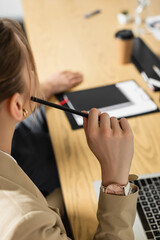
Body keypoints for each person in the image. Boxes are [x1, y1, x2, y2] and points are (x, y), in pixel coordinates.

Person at [0, 18, 138, 240]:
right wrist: (116, 184)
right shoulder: (25, 223)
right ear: (17, 105)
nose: (36, 76)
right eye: (30, 70)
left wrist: (44, 88)